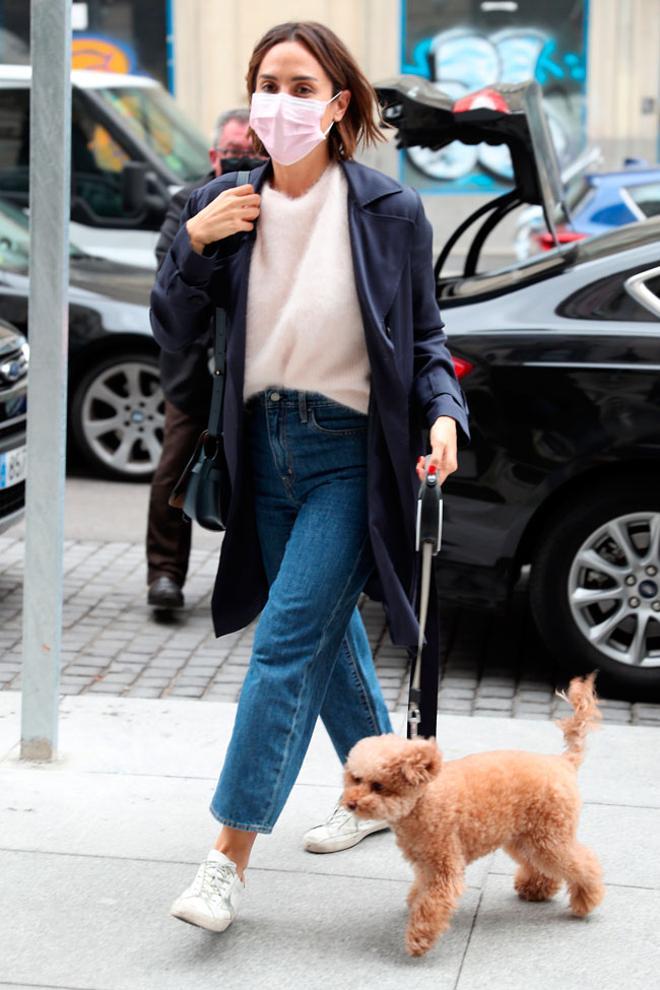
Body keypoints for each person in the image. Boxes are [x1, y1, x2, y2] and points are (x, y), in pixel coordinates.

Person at [150, 20, 469, 934]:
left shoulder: (387, 212)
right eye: (266, 82)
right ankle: (392, 795)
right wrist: (193, 248)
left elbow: (426, 338)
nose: (278, 102)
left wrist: (445, 411)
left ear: (336, 105)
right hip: (262, 452)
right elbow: (173, 335)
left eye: (299, 85)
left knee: (284, 646)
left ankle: (225, 861)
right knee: (328, 641)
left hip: (346, 456)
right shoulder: (218, 203)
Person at [146, 109, 264, 611]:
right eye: (232, 150)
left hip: (249, 368)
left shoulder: (268, 200)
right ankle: (165, 575)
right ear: (215, 156)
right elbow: (172, 275)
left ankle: (256, 581)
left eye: (249, 151)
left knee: (256, 477)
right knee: (176, 468)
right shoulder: (188, 202)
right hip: (193, 371)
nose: (239, 158)